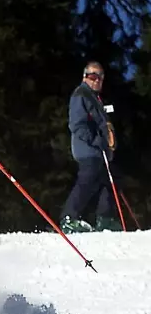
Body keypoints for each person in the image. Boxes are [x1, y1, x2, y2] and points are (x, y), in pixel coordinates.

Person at [60, 61, 119, 233]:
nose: (97, 80)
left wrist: (108, 144)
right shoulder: (81, 95)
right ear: (84, 77)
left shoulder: (96, 99)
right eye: (92, 76)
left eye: (100, 77)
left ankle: (105, 218)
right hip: (87, 149)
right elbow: (77, 125)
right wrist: (95, 140)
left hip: (100, 152)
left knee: (107, 182)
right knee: (88, 180)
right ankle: (69, 217)